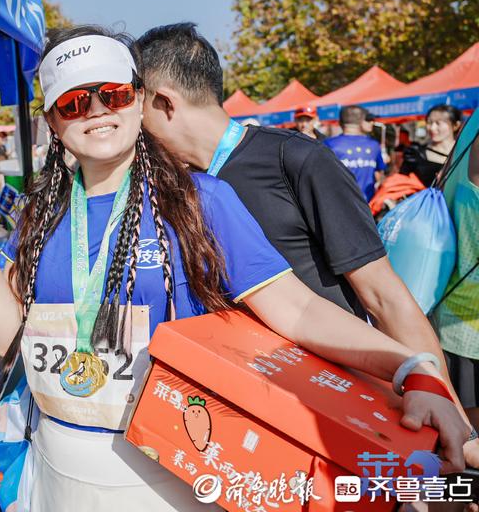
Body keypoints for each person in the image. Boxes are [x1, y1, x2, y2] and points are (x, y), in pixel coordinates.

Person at [0, 26, 467, 511]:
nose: (95, 110)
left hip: (169, 468)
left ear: (139, 101)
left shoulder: (201, 201)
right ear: (52, 121)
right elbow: (8, 339)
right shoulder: (44, 212)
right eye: (73, 102)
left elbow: (298, 310)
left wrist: (410, 366)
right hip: (57, 471)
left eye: (111, 94)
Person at [136, 23, 477, 456]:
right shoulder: (172, 187)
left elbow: (384, 297)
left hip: (334, 412)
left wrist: (455, 427)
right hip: (237, 413)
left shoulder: (296, 160)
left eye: (136, 104)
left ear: (164, 101)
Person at [324, 105, 386, 202]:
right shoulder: (374, 145)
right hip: (367, 205)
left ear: (340, 122)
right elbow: (380, 175)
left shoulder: (328, 144)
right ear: (362, 122)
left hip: (338, 203)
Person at [402, 104, 462, 187]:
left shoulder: (465, 153)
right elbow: (402, 183)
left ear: (456, 125)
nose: (432, 128)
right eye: (429, 122)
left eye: (438, 123)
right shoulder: (415, 154)